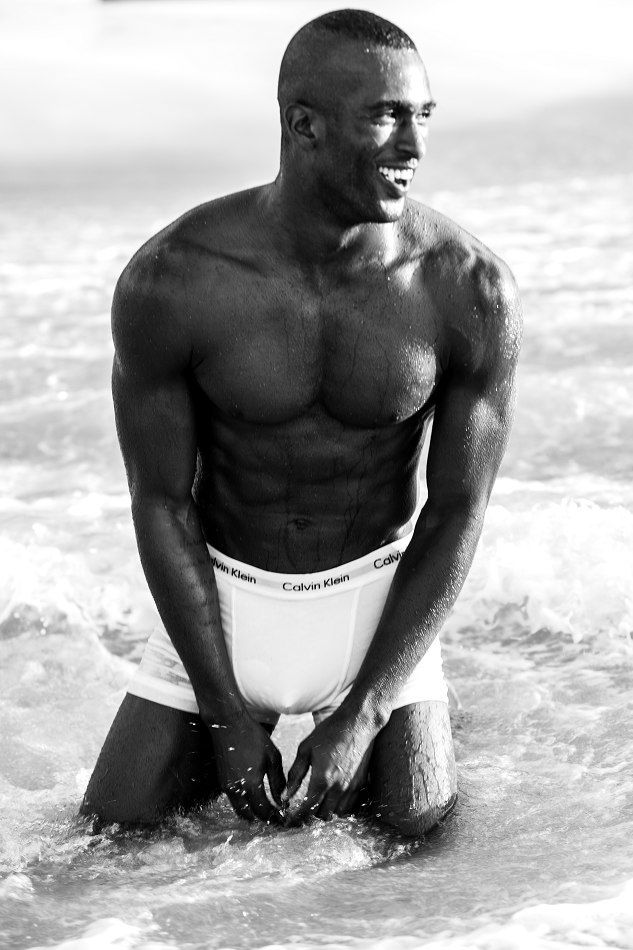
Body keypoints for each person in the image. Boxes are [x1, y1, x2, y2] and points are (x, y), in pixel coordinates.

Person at [81, 9, 521, 837]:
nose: (413, 146)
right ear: (303, 124)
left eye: (422, 116)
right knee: (102, 847)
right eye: (385, 116)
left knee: (422, 840)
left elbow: (457, 509)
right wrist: (222, 711)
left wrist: (365, 710)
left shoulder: (465, 287)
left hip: (373, 608)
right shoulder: (175, 280)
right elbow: (160, 503)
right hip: (218, 606)